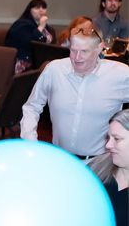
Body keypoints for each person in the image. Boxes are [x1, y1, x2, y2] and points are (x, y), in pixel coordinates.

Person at [20, 18, 129, 158]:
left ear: (99, 48)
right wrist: (30, 143)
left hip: (100, 163)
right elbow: (32, 107)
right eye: (73, 50)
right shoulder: (55, 69)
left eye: (84, 51)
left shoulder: (120, 75)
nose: (76, 58)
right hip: (61, 158)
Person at [5, 0, 53, 69]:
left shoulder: (43, 25)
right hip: (23, 61)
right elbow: (30, 43)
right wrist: (41, 27)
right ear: (29, 10)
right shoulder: (22, 24)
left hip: (38, 58)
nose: (41, 10)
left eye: (43, 7)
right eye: (37, 8)